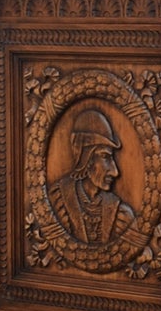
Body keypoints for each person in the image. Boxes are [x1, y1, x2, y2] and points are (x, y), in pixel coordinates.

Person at [45, 106, 140, 252]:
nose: (115, 172)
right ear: (86, 158)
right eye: (105, 157)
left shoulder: (122, 215)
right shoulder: (56, 201)